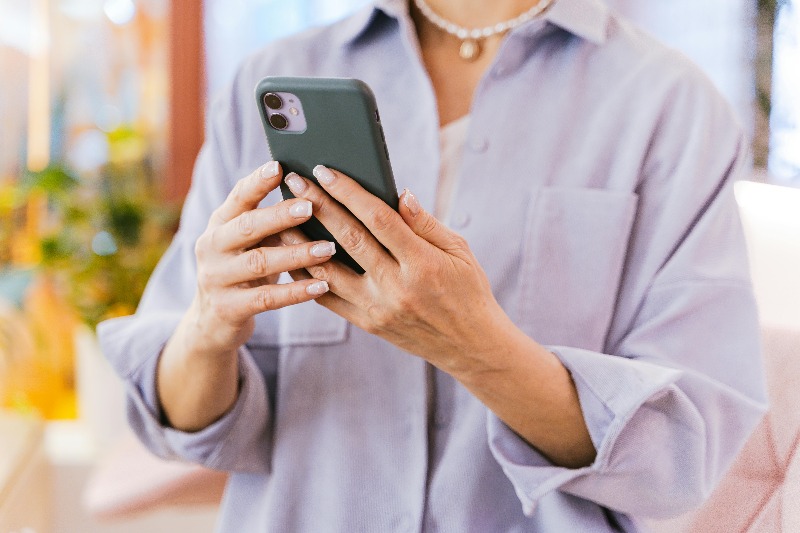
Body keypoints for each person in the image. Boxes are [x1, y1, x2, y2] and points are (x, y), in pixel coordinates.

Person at [98, 0, 767, 530]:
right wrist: (209, 327)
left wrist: (478, 347)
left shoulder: (672, 107)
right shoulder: (270, 81)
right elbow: (185, 423)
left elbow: (680, 454)